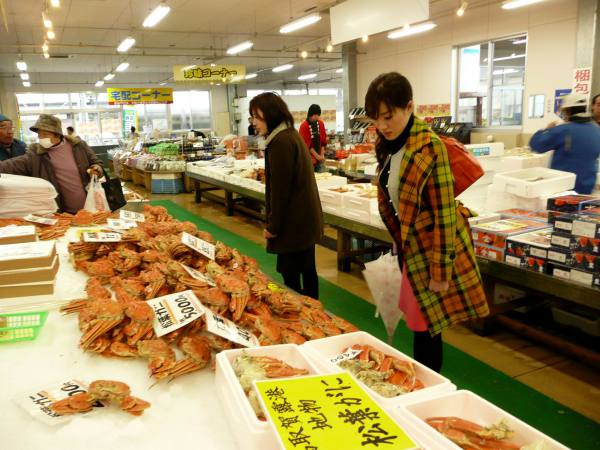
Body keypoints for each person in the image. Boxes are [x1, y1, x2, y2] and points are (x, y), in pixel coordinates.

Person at [365, 72, 489, 372]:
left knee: (427, 328)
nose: (382, 125)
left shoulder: (429, 148)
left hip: (430, 251)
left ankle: (429, 384)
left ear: (409, 107)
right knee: (420, 323)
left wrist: (440, 270)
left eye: (388, 116)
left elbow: (445, 214)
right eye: (375, 118)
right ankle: (421, 380)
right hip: (411, 249)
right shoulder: (391, 145)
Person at [249, 93, 323, 299]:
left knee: (292, 277)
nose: (254, 122)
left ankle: (302, 316)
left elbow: (280, 191)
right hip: (304, 221)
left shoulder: (280, 142)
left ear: (271, 113)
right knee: (308, 271)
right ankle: (313, 313)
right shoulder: (289, 134)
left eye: (257, 116)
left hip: (294, 224)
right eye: (252, 117)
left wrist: (272, 227)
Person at [0, 114, 103, 214]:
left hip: (92, 207)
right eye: (39, 135)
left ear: (57, 134)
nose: (41, 138)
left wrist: (96, 169)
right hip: (63, 213)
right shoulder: (36, 155)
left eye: (45, 135)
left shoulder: (79, 146)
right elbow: (13, 164)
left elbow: (96, 163)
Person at [530, 93, 600, 194]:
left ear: (568, 111)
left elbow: (536, 145)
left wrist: (545, 130)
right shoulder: (596, 130)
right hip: (587, 187)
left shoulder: (563, 130)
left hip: (564, 189)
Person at [298, 104, 327, 172]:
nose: (317, 117)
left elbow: (323, 141)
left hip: (320, 159)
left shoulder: (320, 123)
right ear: (311, 114)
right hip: (309, 160)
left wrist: (322, 155)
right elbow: (307, 145)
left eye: (318, 115)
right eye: (316, 115)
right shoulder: (304, 126)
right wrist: (317, 157)